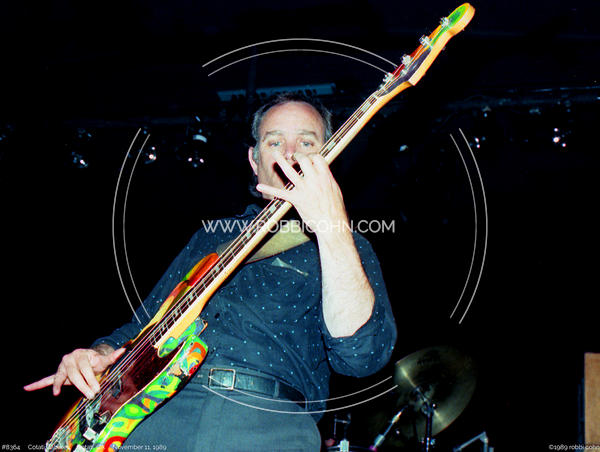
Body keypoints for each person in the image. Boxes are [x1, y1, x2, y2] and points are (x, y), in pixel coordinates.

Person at [25, 93, 397, 451]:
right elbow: (140, 328)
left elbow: (363, 355)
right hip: (153, 416)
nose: (289, 155)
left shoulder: (348, 245)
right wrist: (98, 355)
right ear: (254, 161)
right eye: (274, 142)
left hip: (264, 424)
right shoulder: (211, 237)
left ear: (328, 157)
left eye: (306, 143)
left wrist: (332, 228)